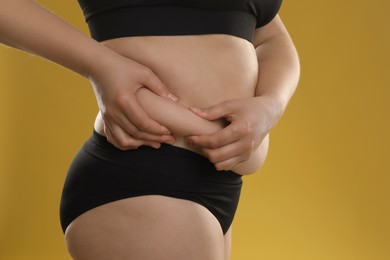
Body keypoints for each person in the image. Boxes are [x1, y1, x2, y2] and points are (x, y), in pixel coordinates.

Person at [0, 0, 300, 259]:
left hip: (216, 184)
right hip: (145, 171)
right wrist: (97, 63)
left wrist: (272, 103)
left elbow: (271, 35)